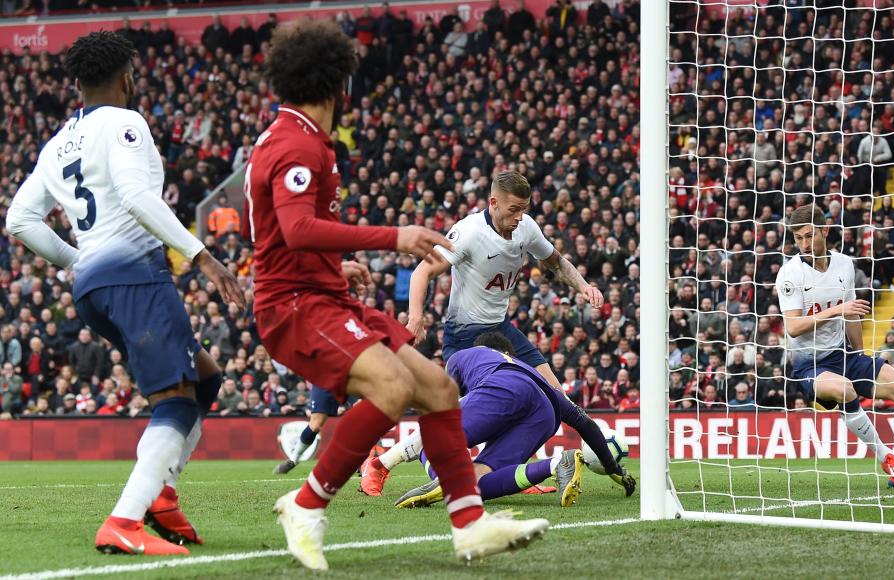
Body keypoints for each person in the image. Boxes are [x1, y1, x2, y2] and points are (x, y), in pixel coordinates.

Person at [244, 19, 548, 571]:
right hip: (292, 305)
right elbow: (294, 231)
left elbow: (292, 233)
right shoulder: (297, 145)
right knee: (390, 386)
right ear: (341, 86)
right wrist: (395, 238)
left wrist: (341, 263)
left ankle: (470, 526)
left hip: (321, 294)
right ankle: (307, 506)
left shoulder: (302, 138)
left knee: (434, 385)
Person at [7, 31, 244, 555]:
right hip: (134, 274)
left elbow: (19, 219)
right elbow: (137, 196)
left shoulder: (55, 145)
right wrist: (204, 258)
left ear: (76, 84)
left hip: (94, 286)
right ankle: (125, 520)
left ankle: (162, 491)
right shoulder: (126, 122)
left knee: (204, 379)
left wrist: (77, 259)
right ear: (127, 79)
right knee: (177, 402)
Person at [776, 204, 894, 489]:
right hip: (809, 365)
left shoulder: (844, 264)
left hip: (845, 356)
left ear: (825, 230)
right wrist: (837, 311)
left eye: (809, 236)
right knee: (845, 389)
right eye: (798, 238)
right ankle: (885, 457)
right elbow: (793, 327)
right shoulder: (790, 274)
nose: (803, 244)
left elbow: (851, 316)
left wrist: (860, 355)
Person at [406, 169, 604, 389]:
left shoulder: (526, 227)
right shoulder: (470, 232)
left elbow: (556, 262)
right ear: (494, 202)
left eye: (523, 209)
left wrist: (583, 286)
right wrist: (416, 317)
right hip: (464, 335)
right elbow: (422, 272)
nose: (519, 217)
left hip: (501, 327)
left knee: (556, 393)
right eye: (514, 209)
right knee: (473, 408)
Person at [392, 333, 636, 509]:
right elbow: (585, 423)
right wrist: (613, 468)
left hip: (502, 386)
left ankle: (446, 480)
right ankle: (556, 465)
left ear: (486, 350)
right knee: (479, 480)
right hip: (545, 411)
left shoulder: (462, 357)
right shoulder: (531, 373)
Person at [272, 384, 339, 474]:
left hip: (350, 377)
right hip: (325, 381)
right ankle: (293, 460)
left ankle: (362, 463)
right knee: (315, 425)